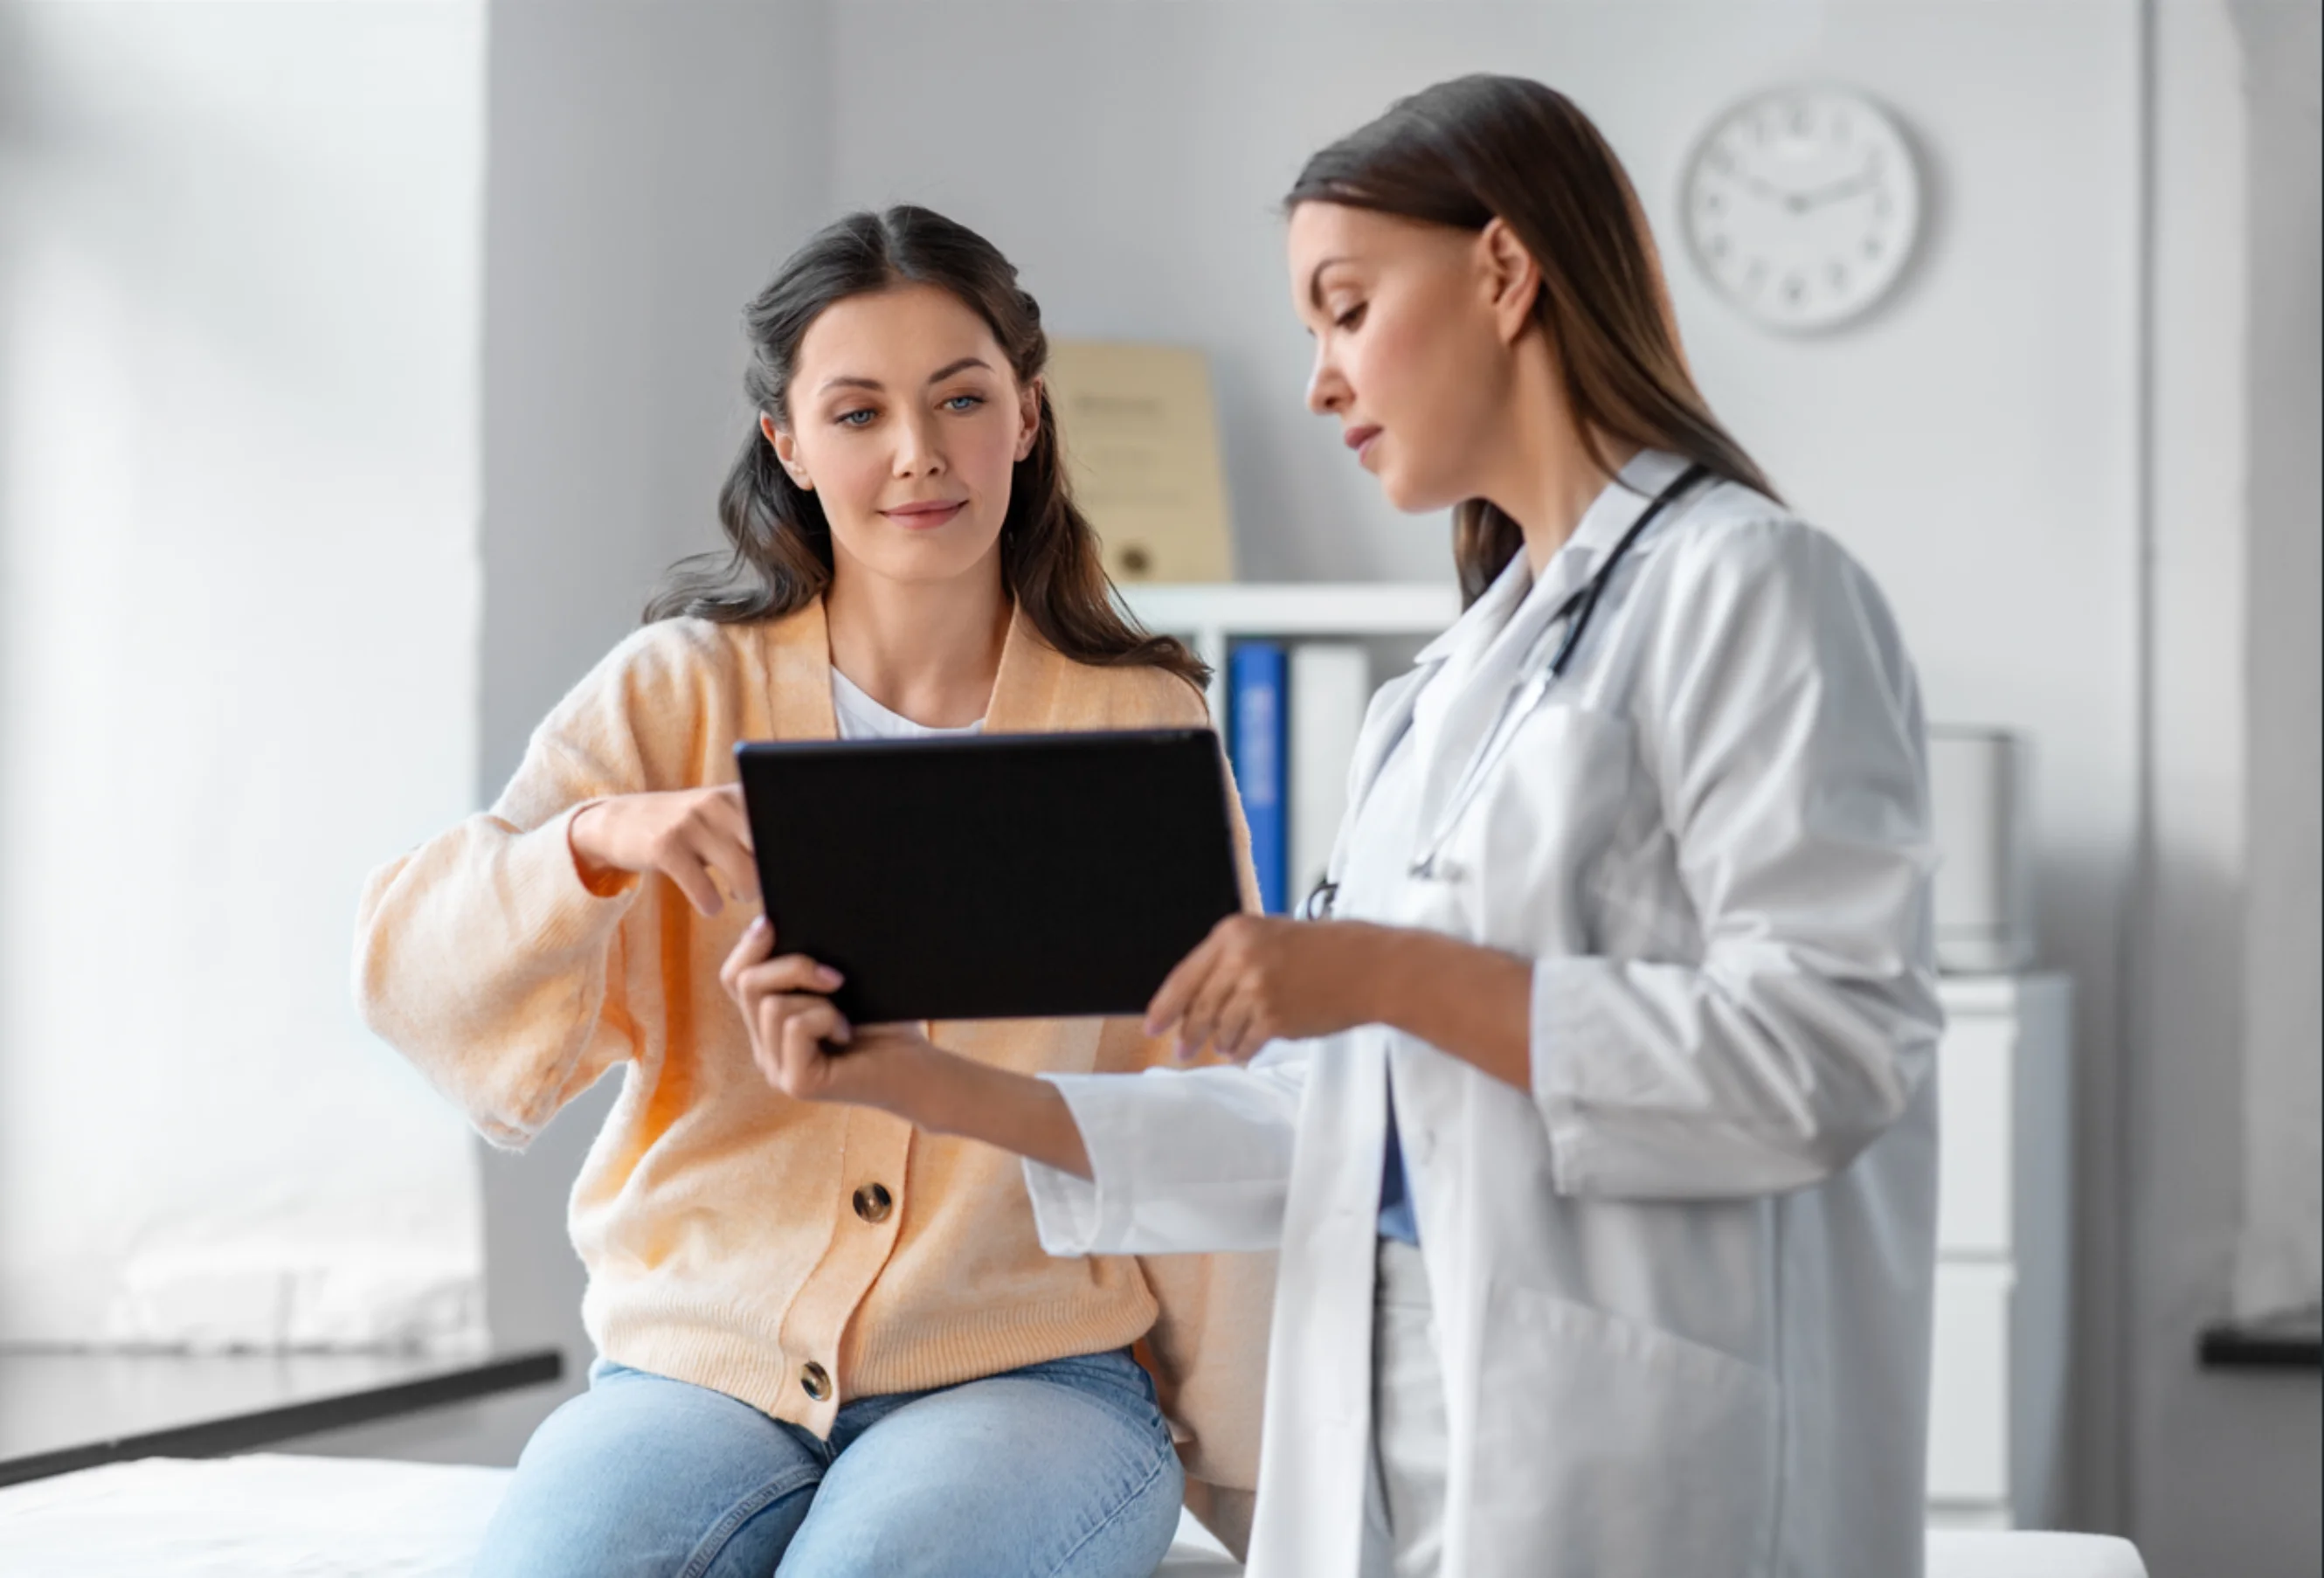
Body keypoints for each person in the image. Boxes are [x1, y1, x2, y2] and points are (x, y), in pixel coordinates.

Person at [722, 77, 1942, 1578]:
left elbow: (1829, 1054)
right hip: (1405, 1436)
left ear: (1503, 273)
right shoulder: (1436, 696)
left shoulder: (1750, 587)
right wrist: (934, 1082)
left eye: (1346, 309)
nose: (1318, 380)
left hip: (1633, 1455)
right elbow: (1320, 1127)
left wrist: (1379, 973)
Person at [354, 205, 1269, 1578]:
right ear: (788, 442)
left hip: (1031, 1379)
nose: (919, 453)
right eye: (858, 412)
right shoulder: (676, 689)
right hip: (697, 1371)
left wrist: (1264, 1481)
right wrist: (596, 840)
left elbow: (1203, 1107)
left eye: (962, 398)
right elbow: (413, 977)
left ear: (1027, 415)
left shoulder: (1138, 722)